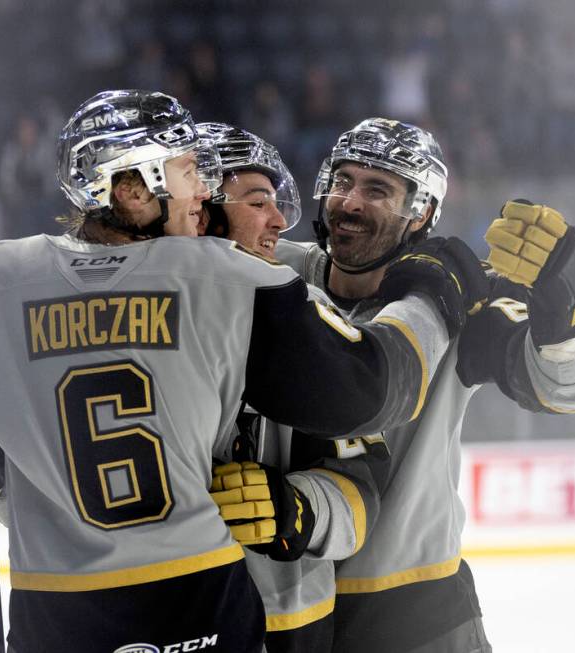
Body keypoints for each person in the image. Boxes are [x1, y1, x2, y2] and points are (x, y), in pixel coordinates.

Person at [0, 91, 485, 652]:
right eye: (189, 171)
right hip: (199, 612)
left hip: (56, 620)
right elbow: (370, 389)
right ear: (133, 188)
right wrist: (429, 294)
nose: (204, 191)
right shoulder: (230, 281)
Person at [262, 117, 575, 652]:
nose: (350, 202)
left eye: (377, 189)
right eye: (343, 181)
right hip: (281, 605)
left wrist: (570, 329)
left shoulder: (462, 298)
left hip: (415, 613)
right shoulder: (274, 274)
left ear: (421, 211)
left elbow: (567, 388)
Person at [195, 122, 391, 652]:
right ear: (200, 209)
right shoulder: (130, 322)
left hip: (287, 624)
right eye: (259, 202)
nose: (281, 221)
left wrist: (295, 510)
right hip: (165, 623)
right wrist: (0, 466)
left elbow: (363, 486)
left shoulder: (305, 312)